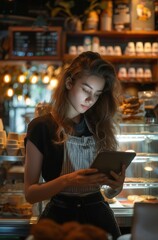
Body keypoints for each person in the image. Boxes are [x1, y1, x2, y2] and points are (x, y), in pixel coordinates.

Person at [24, 51, 126, 240]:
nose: (90, 100)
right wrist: (68, 180)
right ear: (69, 83)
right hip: (59, 219)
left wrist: (116, 186)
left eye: (96, 94)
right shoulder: (41, 128)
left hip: (99, 217)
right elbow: (30, 194)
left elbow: (109, 191)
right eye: (86, 90)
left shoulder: (99, 126)